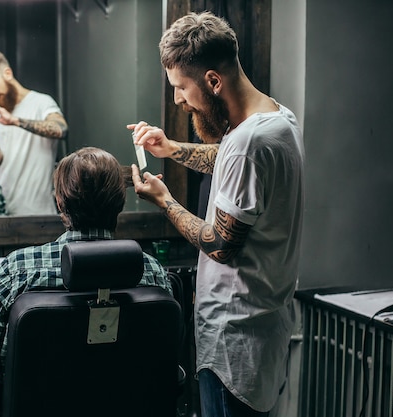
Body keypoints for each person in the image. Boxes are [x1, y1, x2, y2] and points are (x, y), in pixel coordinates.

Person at [128, 12, 304, 417]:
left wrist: (165, 201)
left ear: (212, 81)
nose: (177, 99)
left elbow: (221, 245)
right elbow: (230, 162)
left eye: (181, 88)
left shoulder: (249, 142)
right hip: (263, 329)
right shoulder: (278, 119)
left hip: (235, 343)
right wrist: (171, 148)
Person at [0, 146, 172, 375]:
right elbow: (165, 353)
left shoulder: (17, 269)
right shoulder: (151, 271)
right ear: (120, 203)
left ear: (60, 202)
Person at [0, 50, 68, 216]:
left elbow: (61, 129)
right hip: (4, 208)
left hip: (39, 209)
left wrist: (15, 121)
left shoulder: (40, 102)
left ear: (7, 73)